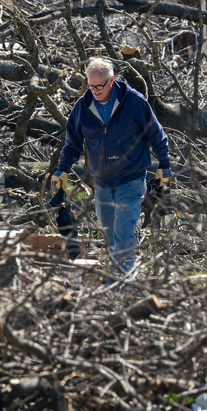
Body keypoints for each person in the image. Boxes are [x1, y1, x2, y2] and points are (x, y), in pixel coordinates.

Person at [51, 57, 172, 275]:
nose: (95, 90)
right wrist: (62, 170)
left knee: (123, 235)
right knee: (111, 238)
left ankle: (120, 290)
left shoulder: (133, 101)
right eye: (91, 85)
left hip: (131, 180)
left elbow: (158, 135)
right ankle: (129, 281)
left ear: (112, 80)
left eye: (100, 85)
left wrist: (164, 164)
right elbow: (72, 144)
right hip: (102, 184)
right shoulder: (83, 107)